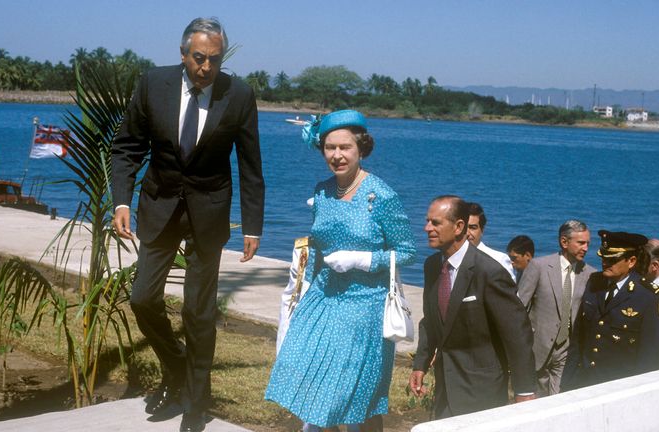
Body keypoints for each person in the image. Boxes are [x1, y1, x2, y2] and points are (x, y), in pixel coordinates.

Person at [111, 17, 265, 432]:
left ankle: (195, 404)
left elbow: (250, 165)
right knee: (143, 297)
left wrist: (253, 226)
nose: (206, 67)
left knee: (198, 312)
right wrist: (121, 201)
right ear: (183, 55)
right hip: (159, 206)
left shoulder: (239, 94)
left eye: (214, 60)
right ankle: (176, 366)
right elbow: (126, 147)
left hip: (209, 213)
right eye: (199, 58)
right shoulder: (152, 84)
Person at [265, 110, 416, 431]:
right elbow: (317, 245)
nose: (337, 155)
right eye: (330, 148)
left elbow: (407, 252)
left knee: (357, 399)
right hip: (322, 299)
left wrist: (362, 259)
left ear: (361, 148)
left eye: (345, 147)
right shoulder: (322, 192)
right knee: (301, 373)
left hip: (365, 308)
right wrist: (301, 289)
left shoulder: (382, 196)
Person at [409, 196, 535, 419]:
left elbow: (517, 334)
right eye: (428, 221)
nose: (427, 228)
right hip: (445, 391)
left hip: (482, 393)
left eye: (435, 223)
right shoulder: (431, 267)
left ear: (459, 227)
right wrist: (420, 364)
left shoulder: (489, 272)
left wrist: (524, 391)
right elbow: (431, 321)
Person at [562, 231, 659, 390]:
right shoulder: (595, 283)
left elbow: (651, 359)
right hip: (584, 383)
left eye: (612, 259)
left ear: (631, 261)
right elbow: (578, 340)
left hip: (621, 388)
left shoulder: (650, 297)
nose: (605, 263)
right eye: (604, 257)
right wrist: (567, 384)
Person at [516, 220, 595, 396]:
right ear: (564, 242)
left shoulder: (590, 274)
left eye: (588, 243)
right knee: (536, 402)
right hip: (537, 348)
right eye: (581, 243)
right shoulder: (539, 266)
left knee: (560, 399)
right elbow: (519, 307)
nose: (586, 248)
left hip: (567, 350)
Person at [464, 201, 516, 282]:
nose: (467, 233)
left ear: (482, 230)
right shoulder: (447, 260)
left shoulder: (498, 260)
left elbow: (511, 294)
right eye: (463, 228)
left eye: (472, 228)